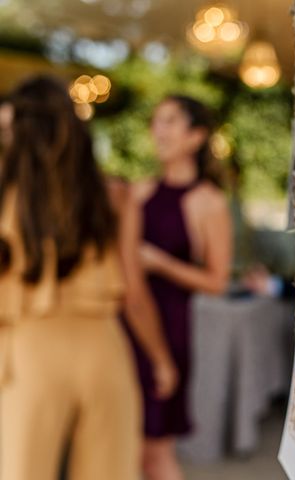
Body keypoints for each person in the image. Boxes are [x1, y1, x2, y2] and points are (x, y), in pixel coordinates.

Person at [0, 75, 177, 480]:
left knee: (23, 472)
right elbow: (134, 292)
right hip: (102, 347)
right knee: (109, 471)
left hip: (28, 351)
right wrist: (161, 359)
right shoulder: (113, 193)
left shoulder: (5, 191)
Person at [123, 94, 233, 480]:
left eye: (170, 121)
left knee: (154, 450)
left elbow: (217, 282)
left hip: (170, 331)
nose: (159, 130)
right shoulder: (136, 193)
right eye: (156, 121)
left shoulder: (209, 202)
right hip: (125, 325)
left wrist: (161, 263)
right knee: (126, 449)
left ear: (196, 136)